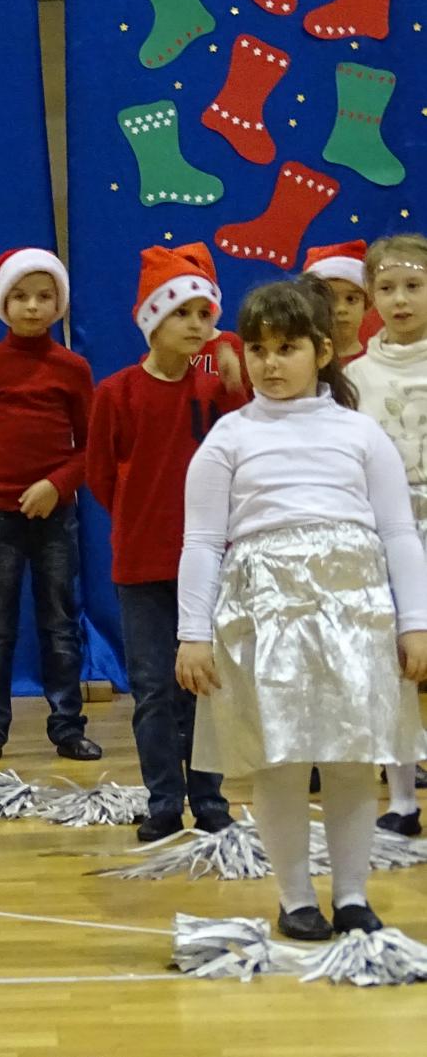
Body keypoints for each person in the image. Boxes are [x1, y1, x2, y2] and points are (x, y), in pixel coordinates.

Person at [178, 279, 427, 941]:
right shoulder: (229, 438)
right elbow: (201, 541)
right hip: (263, 617)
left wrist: (415, 622)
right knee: (279, 759)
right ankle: (294, 899)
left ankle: (352, 895)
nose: (269, 363)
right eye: (257, 349)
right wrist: (192, 633)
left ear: (321, 351)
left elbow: (399, 533)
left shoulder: (360, 433)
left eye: (286, 348)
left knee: (352, 757)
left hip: (356, 616)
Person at [85, 244, 242, 842]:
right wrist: (138, 516)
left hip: (208, 564)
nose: (198, 326)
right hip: (141, 565)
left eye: (206, 314)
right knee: (153, 688)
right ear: (153, 319)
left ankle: (210, 799)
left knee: (205, 686)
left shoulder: (215, 387)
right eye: (183, 313)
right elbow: (101, 475)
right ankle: (163, 802)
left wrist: (228, 368)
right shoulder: (117, 392)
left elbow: (244, 439)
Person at [0, 248, 100, 765]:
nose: (33, 307)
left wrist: (57, 485)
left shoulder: (73, 369)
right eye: (20, 296)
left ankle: (68, 728)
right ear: (3, 303)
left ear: (59, 303)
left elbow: (93, 448)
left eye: (43, 296)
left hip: (56, 517)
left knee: (60, 625)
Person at [345, 232, 427, 836]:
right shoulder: (354, 378)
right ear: (372, 294)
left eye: (414, 286)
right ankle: (401, 799)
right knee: (393, 662)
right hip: (388, 538)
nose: (401, 300)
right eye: (388, 288)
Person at [303, 242, 370, 368]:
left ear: (366, 305)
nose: (341, 309)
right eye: (329, 299)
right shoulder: (303, 364)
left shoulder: (378, 361)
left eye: (351, 299)